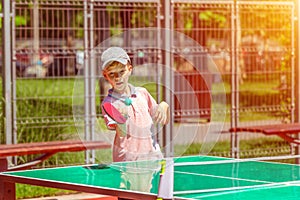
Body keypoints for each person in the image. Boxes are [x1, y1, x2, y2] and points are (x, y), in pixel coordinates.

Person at [101, 47, 170, 162]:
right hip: (128, 160)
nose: (118, 78)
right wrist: (121, 119)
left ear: (130, 69)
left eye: (121, 71)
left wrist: (164, 106)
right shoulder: (108, 103)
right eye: (112, 74)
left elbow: (163, 119)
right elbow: (121, 134)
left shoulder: (142, 93)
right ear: (105, 75)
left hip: (153, 157)